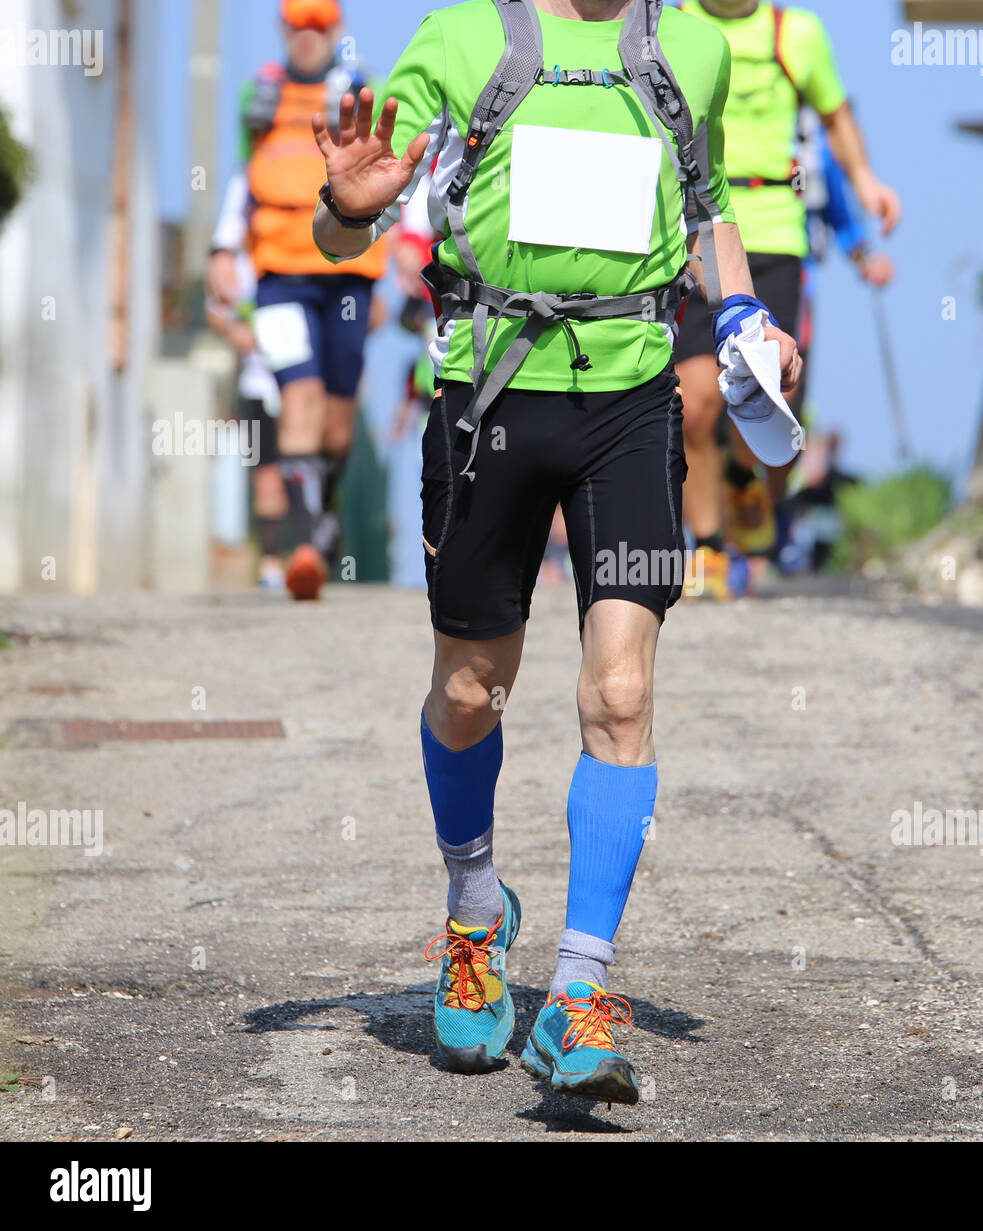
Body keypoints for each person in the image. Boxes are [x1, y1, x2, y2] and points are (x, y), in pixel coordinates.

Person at [310, 0, 801, 1104]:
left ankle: (579, 994)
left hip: (629, 403)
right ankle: (475, 912)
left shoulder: (695, 50)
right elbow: (352, 223)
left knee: (620, 693)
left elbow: (709, 206)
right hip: (486, 398)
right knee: (471, 688)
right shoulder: (458, 38)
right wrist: (344, 212)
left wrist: (741, 317)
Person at [672, 0, 901, 597]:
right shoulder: (668, 24)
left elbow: (835, 114)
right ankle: (710, 549)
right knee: (693, 406)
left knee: (767, 392)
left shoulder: (795, 34)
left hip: (772, 235)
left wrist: (867, 182)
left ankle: (746, 477)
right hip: (693, 230)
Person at [206, 0, 387, 602]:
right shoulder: (259, 95)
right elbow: (242, 174)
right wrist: (222, 249)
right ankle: (303, 547)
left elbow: (386, 177)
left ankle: (323, 506)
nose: (306, 38)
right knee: (299, 396)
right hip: (279, 271)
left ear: (336, 31)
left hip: (347, 271)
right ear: (283, 31)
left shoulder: (358, 91)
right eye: (295, 26)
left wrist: (401, 270)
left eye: (318, 27)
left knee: (337, 425)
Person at [205, 193, 287, 590]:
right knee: (267, 472)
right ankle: (271, 562)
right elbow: (214, 309)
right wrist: (236, 331)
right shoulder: (238, 264)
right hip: (258, 384)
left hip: (300, 382)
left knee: (306, 466)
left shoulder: (293, 258)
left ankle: (309, 550)